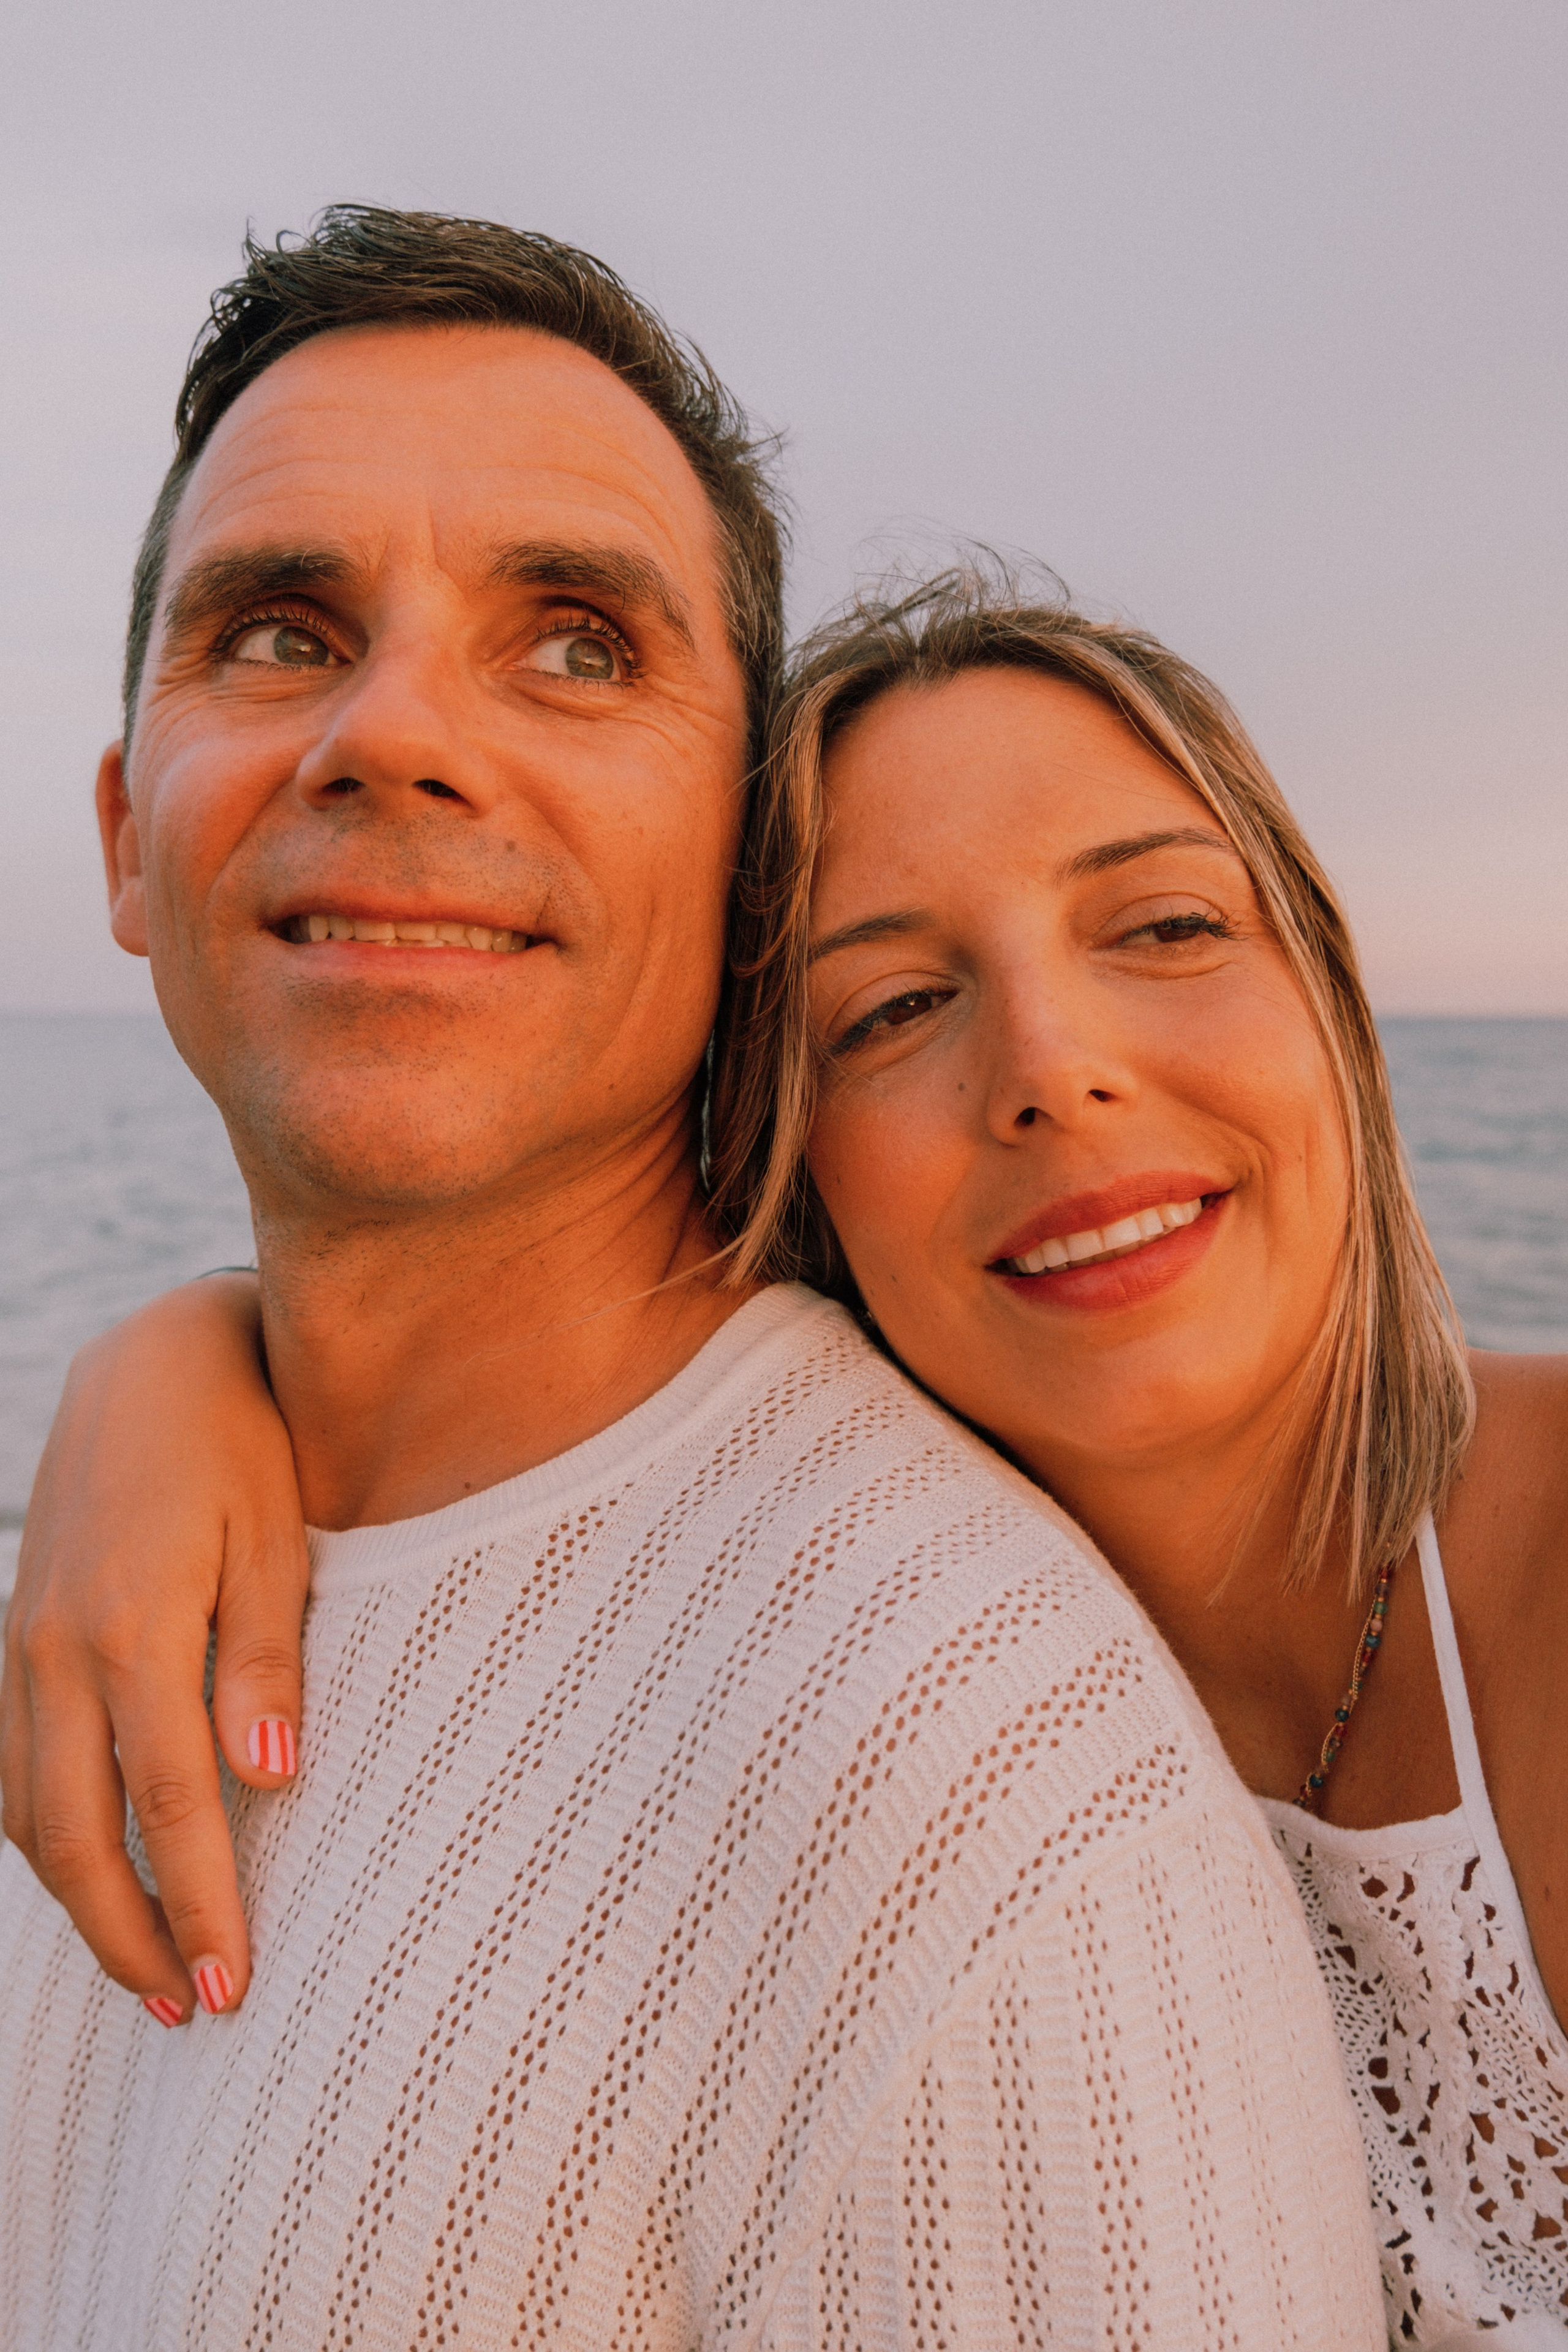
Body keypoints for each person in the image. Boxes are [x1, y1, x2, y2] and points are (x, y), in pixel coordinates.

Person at [0, 212, 1382, 2351]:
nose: (390, 734)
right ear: (122, 838)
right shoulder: (80, 1595)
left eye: (574, 644)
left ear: (750, 869)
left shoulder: (985, 1819)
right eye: (280, 630)